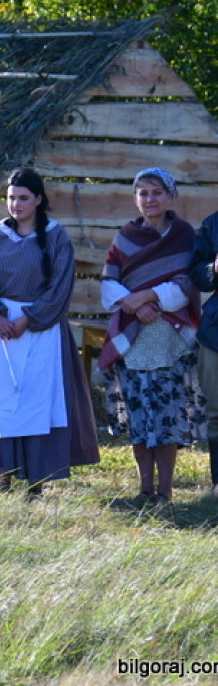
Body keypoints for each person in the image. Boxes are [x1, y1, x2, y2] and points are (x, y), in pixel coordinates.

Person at [0, 167, 99, 493]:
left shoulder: (56, 237)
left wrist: (27, 319)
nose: (15, 204)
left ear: (39, 199)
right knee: (4, 401)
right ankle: (4, 475)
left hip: (41, 329)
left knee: (38, 403)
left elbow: (59, 287)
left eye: (23, 198)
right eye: (11, 198)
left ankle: (36, 481)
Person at [99, 168, 204, 505]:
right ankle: (144, 488)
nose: (150, 199)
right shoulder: (125, 237)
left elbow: (188, 284)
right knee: (139, 415)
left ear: (171, 196)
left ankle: (165, 491)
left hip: (169, 338)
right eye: (143, 193)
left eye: (156, 192)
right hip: (133, 339)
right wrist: (135, 305)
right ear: (135, 198)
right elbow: (108, 283)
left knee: (165, 416)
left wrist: (149, 297)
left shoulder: (184, 236)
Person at [190, 202, 218, 496]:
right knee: (216, 411)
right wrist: (214, 269)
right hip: (215, 332)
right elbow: (196, 273)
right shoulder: (213, 224)